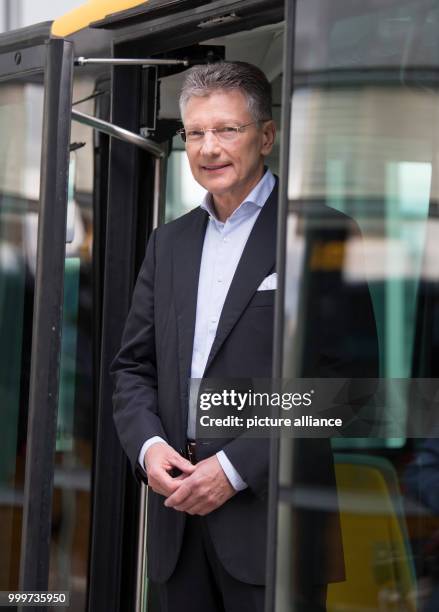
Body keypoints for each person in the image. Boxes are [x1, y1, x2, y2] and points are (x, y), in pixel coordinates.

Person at [111, 61, 355, 612]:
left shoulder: (321, 233)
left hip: (273, 523)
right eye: (196, 133)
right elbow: (132, 369)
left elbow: (346, 386)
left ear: (266, 136)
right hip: (177, 522)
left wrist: (234, 467)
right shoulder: (167, 243)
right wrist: (149, 449)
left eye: (227, 130)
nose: (208, 148)